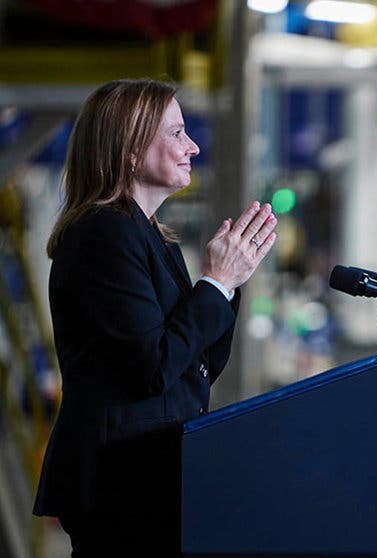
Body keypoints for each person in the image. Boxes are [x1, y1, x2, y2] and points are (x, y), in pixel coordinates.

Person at [32, 79, 277, 557]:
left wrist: (227, 282)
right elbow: (153, 366)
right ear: (129, 149)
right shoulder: (104, 235)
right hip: (121, 486)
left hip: (148, 479)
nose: (193, 146)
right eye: (177, 133)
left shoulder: (150, 238)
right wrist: (215, 283)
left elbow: (197, 366)